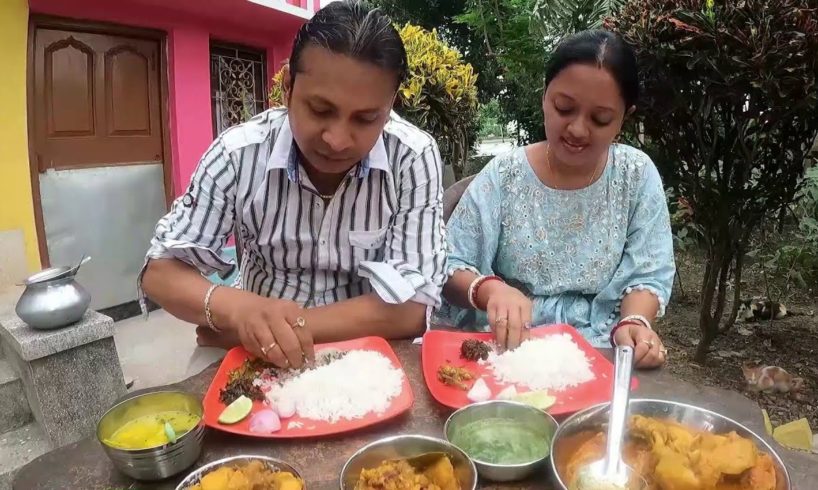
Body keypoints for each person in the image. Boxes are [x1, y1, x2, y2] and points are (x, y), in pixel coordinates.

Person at [140, 1, 446, 370]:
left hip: (364, 356)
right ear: (288, 87)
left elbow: (414, 307)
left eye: (366, 119)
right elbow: (160, 272)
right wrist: (240, 310)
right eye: (320, 109)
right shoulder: (238, 154)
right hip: (249, 352)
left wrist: (266, 327)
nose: (337, 139)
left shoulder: (412, 157)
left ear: (390, 105)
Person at [437, 30, 675, 368]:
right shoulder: (505, 175)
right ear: (544, 98)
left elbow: (647, 273)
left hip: (597, 348)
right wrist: (491, 290)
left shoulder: (635, 175)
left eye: (600, 119)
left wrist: (634, 323)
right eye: (564, 108)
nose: (577, 129)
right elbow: (447, 264)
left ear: (624, 116)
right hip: (504, 345)